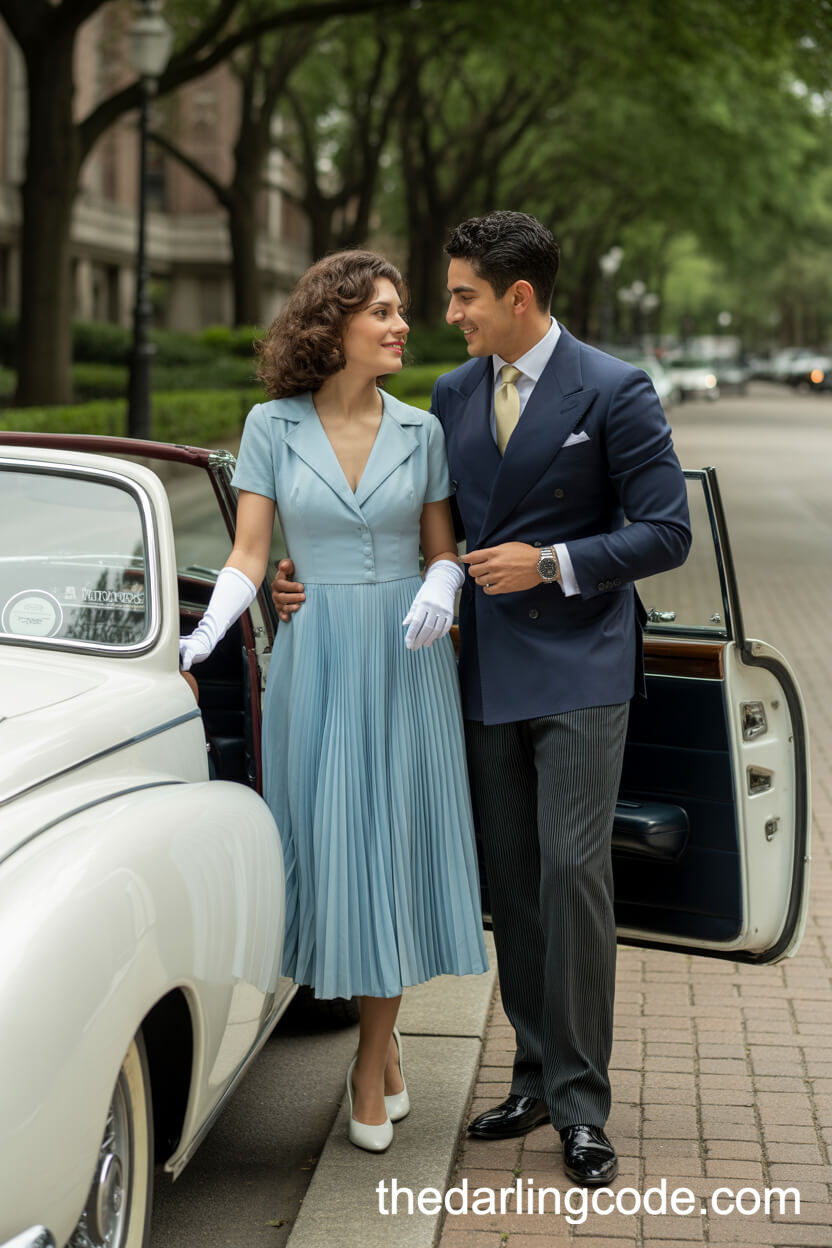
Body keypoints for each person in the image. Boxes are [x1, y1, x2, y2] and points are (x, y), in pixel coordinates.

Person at [273, 212, 691, 1185]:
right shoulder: (455, 393)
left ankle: (581, 1106)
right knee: (513, 882)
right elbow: (424, 528)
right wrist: (302, 576)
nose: (449, 312)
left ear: (519, 297)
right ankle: (533, 1075)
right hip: (482, 667)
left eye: (463, 295)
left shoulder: (614, 388)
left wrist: (550, 561)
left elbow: (666, 531)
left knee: (572, 874)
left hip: (580, 667)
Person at [180, 250, 488, 1154]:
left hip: (405, 657)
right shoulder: (269, 425)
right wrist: (204, 635)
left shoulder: (422, 430)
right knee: (328, 851)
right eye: (382, 311)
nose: (401, 325)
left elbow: (442, 547)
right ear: (334, 322)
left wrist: (444, 583)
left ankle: (367, 1059)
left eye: (401, 311)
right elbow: (249, 553)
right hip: (315, 657)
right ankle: (386, 1049)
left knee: (388, 851)